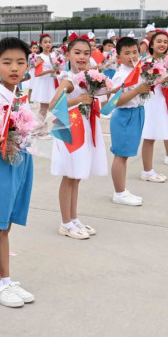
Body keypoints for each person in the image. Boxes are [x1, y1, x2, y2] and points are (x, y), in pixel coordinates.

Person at [0, 37, 36, 308]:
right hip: (0, 165)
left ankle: (5, 279)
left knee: (6, 225)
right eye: (7, 62)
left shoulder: (21, 97)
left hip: (21, 161)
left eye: (20, 62)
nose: (14, 68)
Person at [50, 38, 107, 239]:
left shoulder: (88, 77)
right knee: (69, 176)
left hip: (85, 127)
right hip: (71, 129)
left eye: (86, 53)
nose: (82, 57)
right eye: (77, 52)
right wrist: (79, 100)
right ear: (68, 55)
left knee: (76, 177)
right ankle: (65, 223)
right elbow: (53, 104)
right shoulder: (68, 79)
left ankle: (74, 218)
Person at [141, 31, 168, 186]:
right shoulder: (146, 62)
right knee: (149, 136)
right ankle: (147, 171)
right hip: (152, 101)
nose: (162, 44)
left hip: (164, 99)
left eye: (165, 42)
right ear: (151, 44)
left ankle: (167, 157)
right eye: (159, 41)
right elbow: (145, 84)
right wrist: (161, 78)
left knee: (161, 132)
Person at [109, 37, 150, 206]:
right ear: (119, 56)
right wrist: (138, 90)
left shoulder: (139, 70)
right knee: (121, 155)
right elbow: (116, 101)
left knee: (125, 155)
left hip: (137, 112)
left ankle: (122, 190)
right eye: (127, 53)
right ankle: (119, 193)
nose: (132, 56)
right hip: (125, 116)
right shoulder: (121, 75)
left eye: (134, 52)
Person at [31, 33, 57, 120]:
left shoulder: (54, 56)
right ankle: (39, 123)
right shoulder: (40, 57)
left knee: (51, 105)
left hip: (52, 82)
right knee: (44, 107)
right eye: (45, 42)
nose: (48, 44)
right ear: (41, 44)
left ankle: (43, 123)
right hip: (44, 83)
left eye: (49, 42)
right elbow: (37, 73)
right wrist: (50, 71)